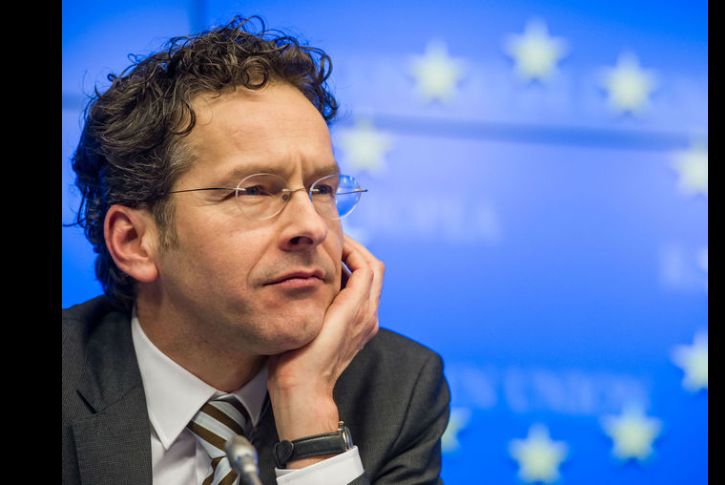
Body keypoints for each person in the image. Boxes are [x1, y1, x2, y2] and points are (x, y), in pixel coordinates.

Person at [62, 15, 450, 485]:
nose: (311, 227)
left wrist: (310, 419)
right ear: (134, 242)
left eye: (322, 190)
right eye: (254, 191)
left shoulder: (397, 389)